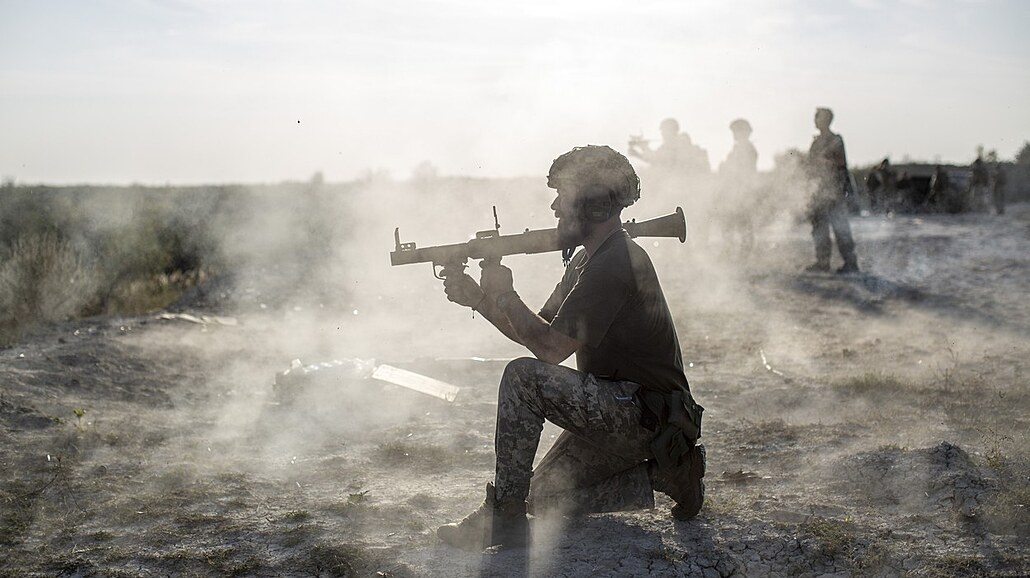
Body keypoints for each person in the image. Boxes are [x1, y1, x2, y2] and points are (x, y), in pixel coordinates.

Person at [436, 145, 706, 551]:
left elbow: (546, 351)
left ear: (594, 203)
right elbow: (538, 330)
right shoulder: (586, 261)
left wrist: (505, 293)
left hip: (644, 414)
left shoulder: (615, 263)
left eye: (562, 194)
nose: (555, 206)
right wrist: (480, 299)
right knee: (543, 497)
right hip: (628, 413)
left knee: (521, 376)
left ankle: (504, 519)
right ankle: (666, 475)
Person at [628, 118, 712, 247]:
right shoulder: (676, 144)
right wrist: (642, 150)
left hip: (678, 189)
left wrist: (642, 149)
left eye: (664, 131)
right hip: (679, 189)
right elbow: (657, 159)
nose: (662, 134)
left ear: (670, 130)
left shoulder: (676, 144)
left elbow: (658, 159)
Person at [804, 107, 859, 274]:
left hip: (834, 190)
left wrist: (822, 161)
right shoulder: (816, 141)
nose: (814, 120)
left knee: (840, 227)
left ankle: (850, 263)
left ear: (826, 120)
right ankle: (822, 262)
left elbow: (840, 163)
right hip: (819, 190)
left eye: (817, 117)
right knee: (819, 227)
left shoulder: (835, 140)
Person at [715, 118, 758, 256]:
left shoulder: (746, 149)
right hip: (735, 191)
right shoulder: (741, 148)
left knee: (740, 223)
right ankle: (733, 251)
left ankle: (740, 253)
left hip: (740, 191)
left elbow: (742, 170)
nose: (733, 134)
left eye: (736, 131)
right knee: (733, 222)